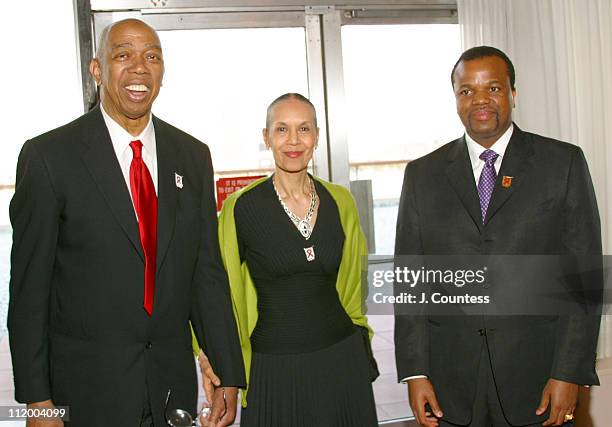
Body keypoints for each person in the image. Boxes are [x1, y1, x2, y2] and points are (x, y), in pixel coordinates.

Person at [8, 19, 244, 427]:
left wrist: (226, 370)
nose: (139, 68)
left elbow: (205, 273)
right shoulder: (49, 157)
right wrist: (37, 401)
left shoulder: (191, 155)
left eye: (152, 56)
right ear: (97, 69)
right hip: (85, 394)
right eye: (124, 55)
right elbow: (29, 292)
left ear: (163, 72)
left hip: (172, 390)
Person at [394, 46, 602, 427]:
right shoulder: (422, 174)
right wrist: (415, 371)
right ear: (455, 99)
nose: (480, 100)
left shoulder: (563, 163)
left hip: (538, 379)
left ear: (513, 94)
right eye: (467, 91)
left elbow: (583, 281)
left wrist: (569, 372)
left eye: (493, 88)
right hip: (450, 384)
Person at [212, 93, 378, 426]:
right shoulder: (240, 208)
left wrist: (361, 340)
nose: (293, 141)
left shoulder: (341, 201)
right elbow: (220, 293)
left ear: (316, 135)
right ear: (266, 137)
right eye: (281, 129)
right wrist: (221, 369)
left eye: (303, 129)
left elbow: (354, 286)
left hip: (342, 361)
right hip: (272, 369)